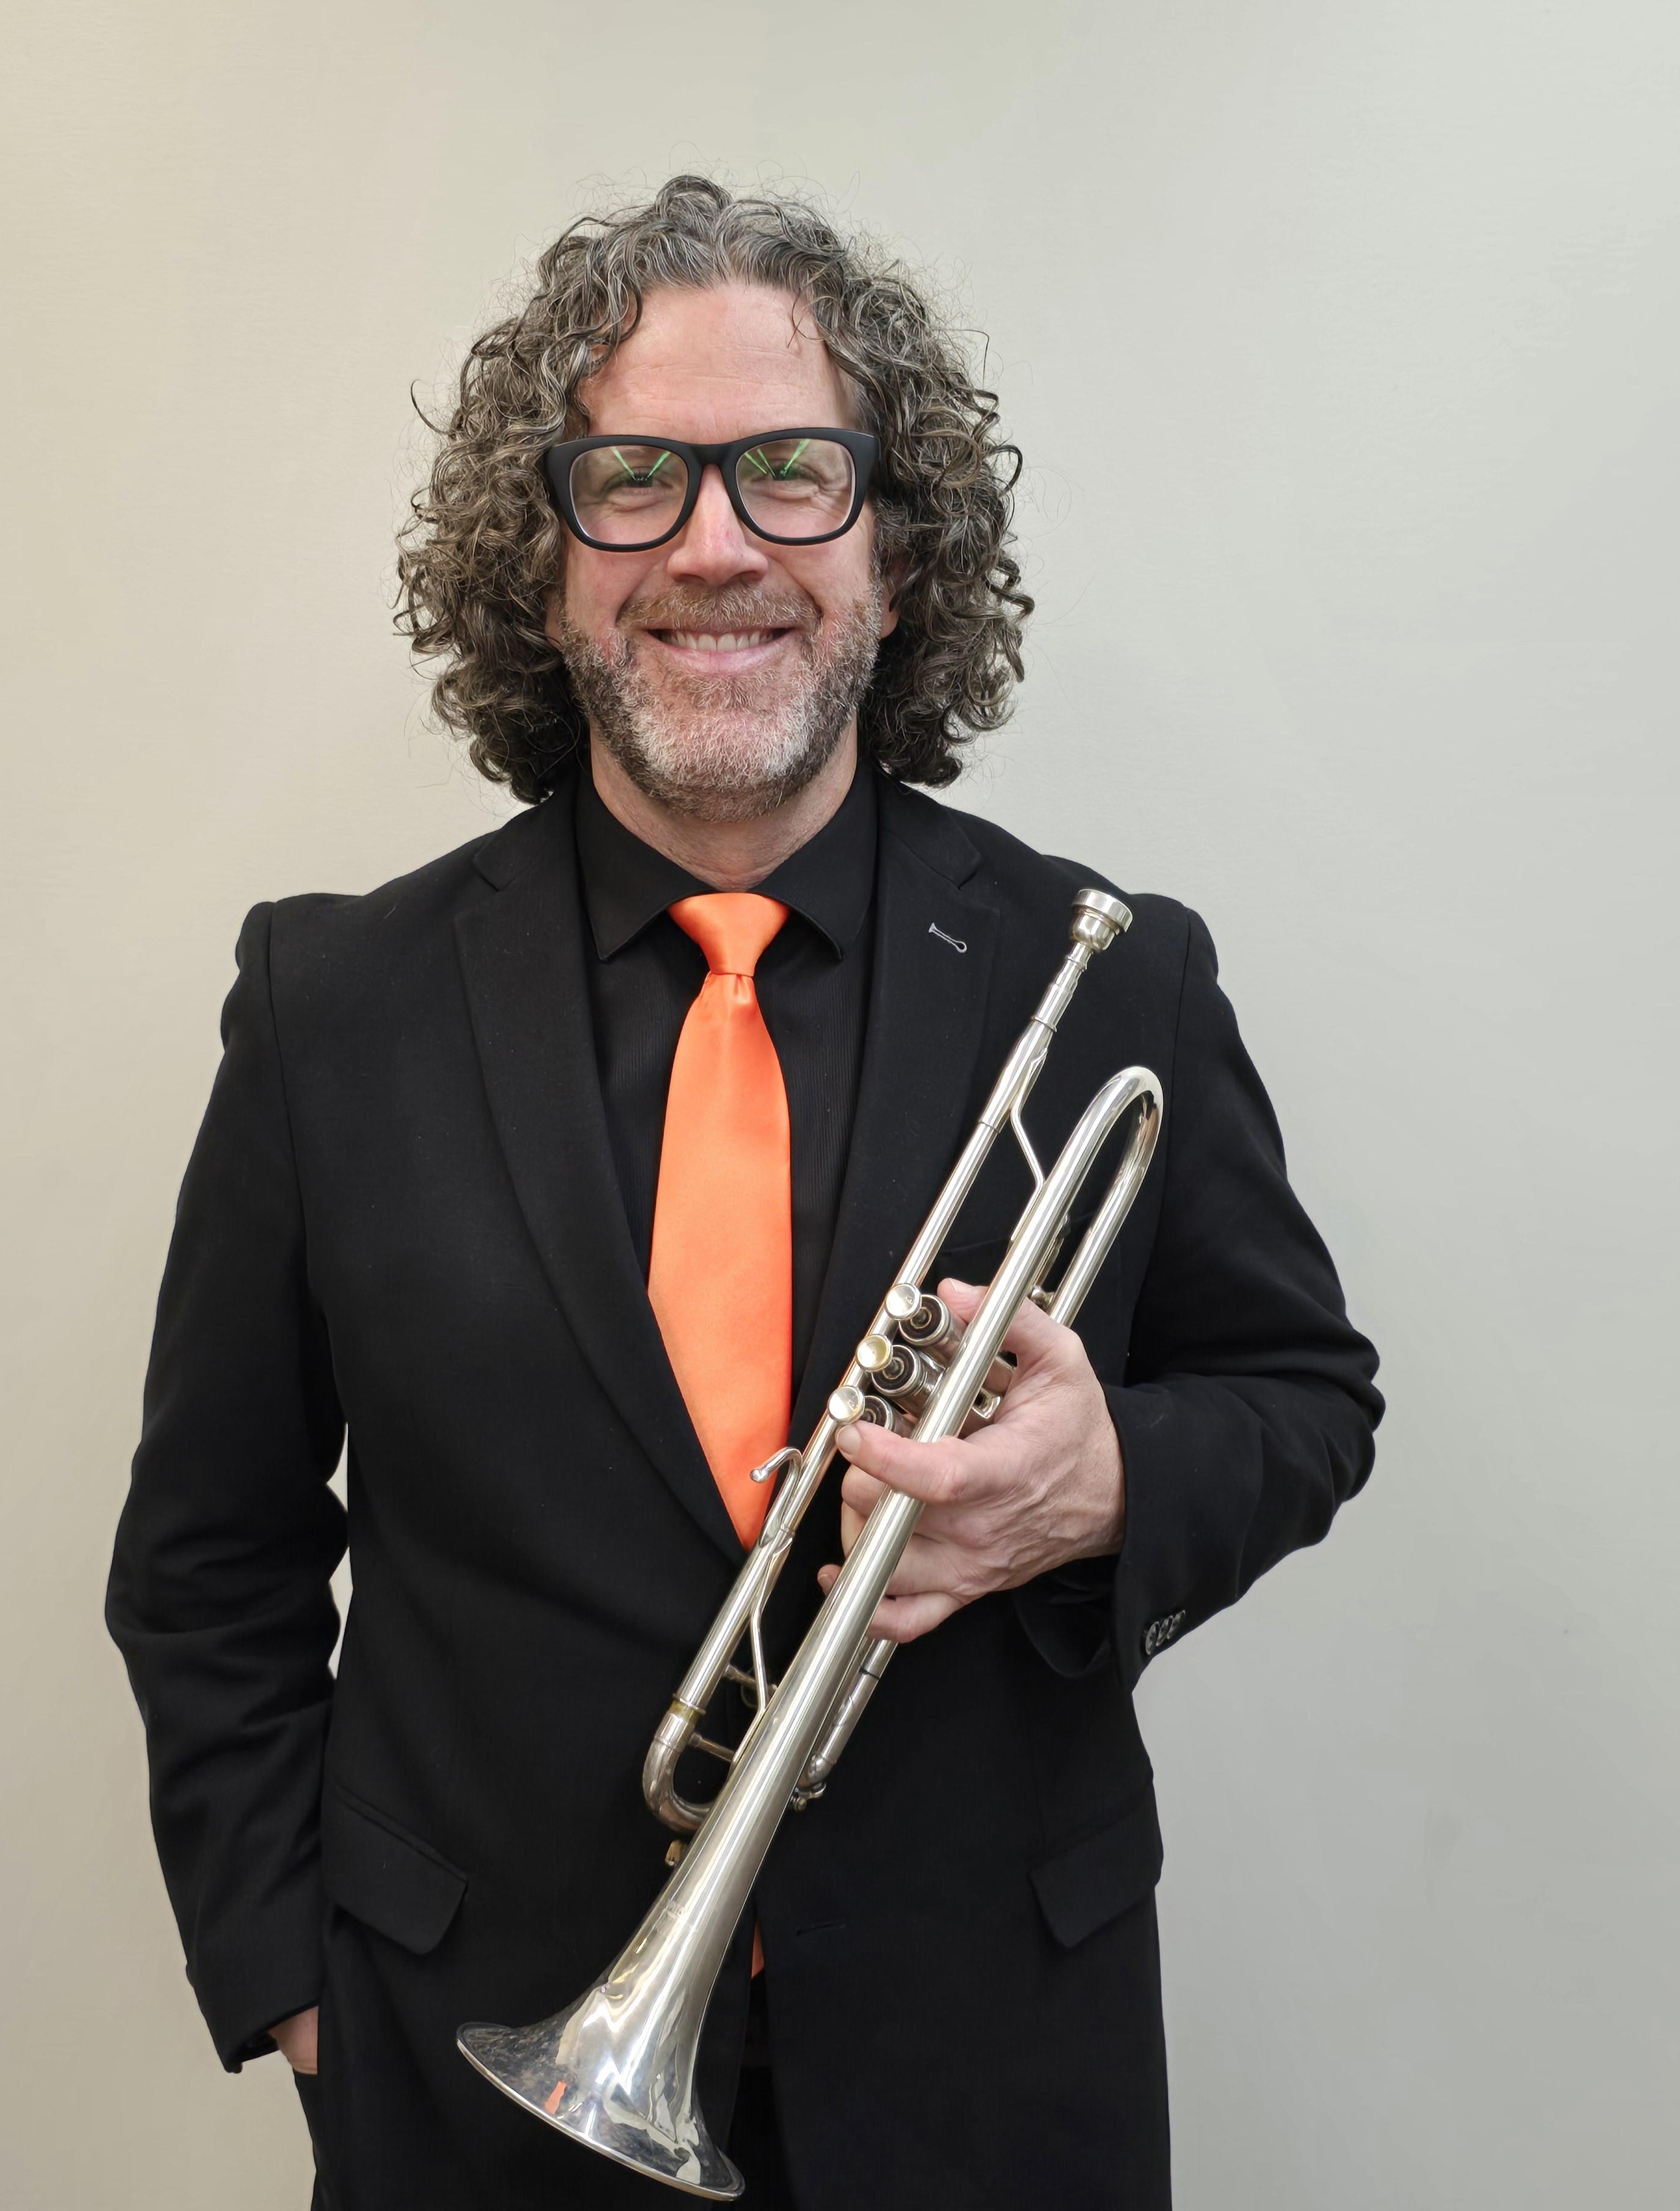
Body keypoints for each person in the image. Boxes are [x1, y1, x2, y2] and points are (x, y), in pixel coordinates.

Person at [107, 176, 1381, 2210]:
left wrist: (1106, 1483)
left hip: (991, 2071)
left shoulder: (1108, 969)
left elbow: (1304, 1399)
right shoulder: (332, 1006)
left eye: (794, 472)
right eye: (634, 479)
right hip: (469, 2081)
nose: (715, 545)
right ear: (541, 569)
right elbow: (211, 1558)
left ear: (897, 552)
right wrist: (297, 1987)